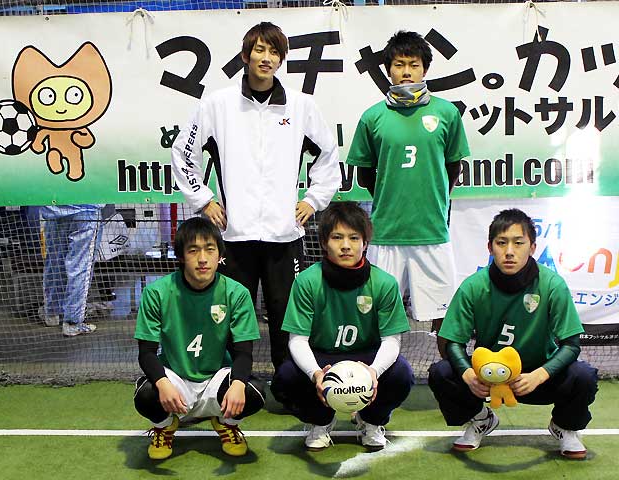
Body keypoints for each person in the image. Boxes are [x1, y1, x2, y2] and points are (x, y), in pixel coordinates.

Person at [171, 22, 341, 373]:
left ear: (281, 59)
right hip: (234, 235)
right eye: (260, 50)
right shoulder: (218, 104)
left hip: (284, 235)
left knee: (286, 314)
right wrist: (203, 200)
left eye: (274, 52)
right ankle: (231, 380)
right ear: (245, 56)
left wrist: (313, 200)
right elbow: (184, 151)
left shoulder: (301, 106)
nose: (267, 58)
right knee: (231, 313)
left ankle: (288, 382)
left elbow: (328, 153)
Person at [428, 208, 598, 459]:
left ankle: (564, 426)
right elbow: (453, 342)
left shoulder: (552, 285)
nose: (509, 251)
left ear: (532, 247)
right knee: (441, 373)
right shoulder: (473, 286)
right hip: (489, 377)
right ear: (490, 247)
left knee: (583, 376)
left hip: (537, 377)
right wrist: (468, 375)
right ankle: (481, 419)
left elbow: (571, 344)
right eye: (501, 243)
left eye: (518, 243)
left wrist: (539, 375)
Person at [346, 31, 470, 356]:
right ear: (388, 69)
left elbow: (453, 166)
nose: (406, 72)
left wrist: (434, 198)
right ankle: (375, 381)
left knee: (446, 318)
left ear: (424, 69)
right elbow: (365, 173)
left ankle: (451, 379)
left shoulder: (446, 113)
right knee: (377, 317)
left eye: (413, 65)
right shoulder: (373, 117)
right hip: (386, 233)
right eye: (399, 65)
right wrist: (391, 198)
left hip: (432, 231)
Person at [271, 202, 414, 452]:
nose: (346, 245)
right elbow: (297, 340)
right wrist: (316, 374)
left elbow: (392, 340)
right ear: (324, 243)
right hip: (322, 358)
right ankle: (321, 421)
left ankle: (371, 420)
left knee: (402, 374)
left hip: (366, 358)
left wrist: (374, 371)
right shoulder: (307, 281)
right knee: (286, 377)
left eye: (354, 238)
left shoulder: (384, 283)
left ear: (365, 243)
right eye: (337, 237)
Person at [133, 217, 266, 460]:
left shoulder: (236, 293)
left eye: (209, 249)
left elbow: (243, 353)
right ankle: (164, 426)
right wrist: (162, 383)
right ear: (181, 256)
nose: (202, 258)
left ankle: (226, 422)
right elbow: (147, 353)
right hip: (176, 381)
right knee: (146, 394)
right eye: (193, 250)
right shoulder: (156, 293)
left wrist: (237, 384)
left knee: (254, 391)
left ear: (219, 255)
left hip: (216, 379)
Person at [39, 204, 102, 336]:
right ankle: (73, 323)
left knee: (55, 261)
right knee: (80, 266)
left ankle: (51, 313)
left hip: (54, 209)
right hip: (86, 210)